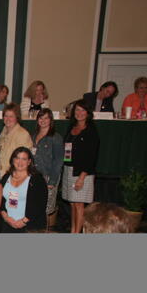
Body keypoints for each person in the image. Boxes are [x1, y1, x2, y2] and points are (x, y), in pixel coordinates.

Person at [62, 99, 100, 233]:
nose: (79, 113)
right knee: (72, 203)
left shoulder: (91, 131)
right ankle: (73, 230)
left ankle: (77, 233)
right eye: (77, 110)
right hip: (69, 169)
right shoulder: (71, 128)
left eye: (83, 110)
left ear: (88, 112)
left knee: (79, 204)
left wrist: (82, 177)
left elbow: (91, 157)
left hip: (82, 173)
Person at [0, 147, 48, 232]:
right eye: (17, 158)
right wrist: (6, 217)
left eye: (24, 159)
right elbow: (1, 199)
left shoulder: (37, 179)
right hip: (7, 224)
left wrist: (23, 221)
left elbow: (40, 204)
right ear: (12, 160)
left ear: (29, 161)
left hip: (29, 226)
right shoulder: (6, 177)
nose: (20, 162)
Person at [32, 108, 64, 219]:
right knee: (35, 206)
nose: (43, 120)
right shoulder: (34, 135)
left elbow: (58, 161)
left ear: (51, 120)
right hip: (35, 176)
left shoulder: (56, 138)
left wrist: (52, 181)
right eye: (41, 118)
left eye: (46, 118)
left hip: (48, 177)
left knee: (46, 209)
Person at [0, 103, 33, 177]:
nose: (8, 119)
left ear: (17, 117)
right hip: (1, 174)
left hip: (14, 176)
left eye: (11, 116)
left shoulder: (23, 134)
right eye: (6, 116)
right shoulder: (4, 131)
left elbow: (23, 162)